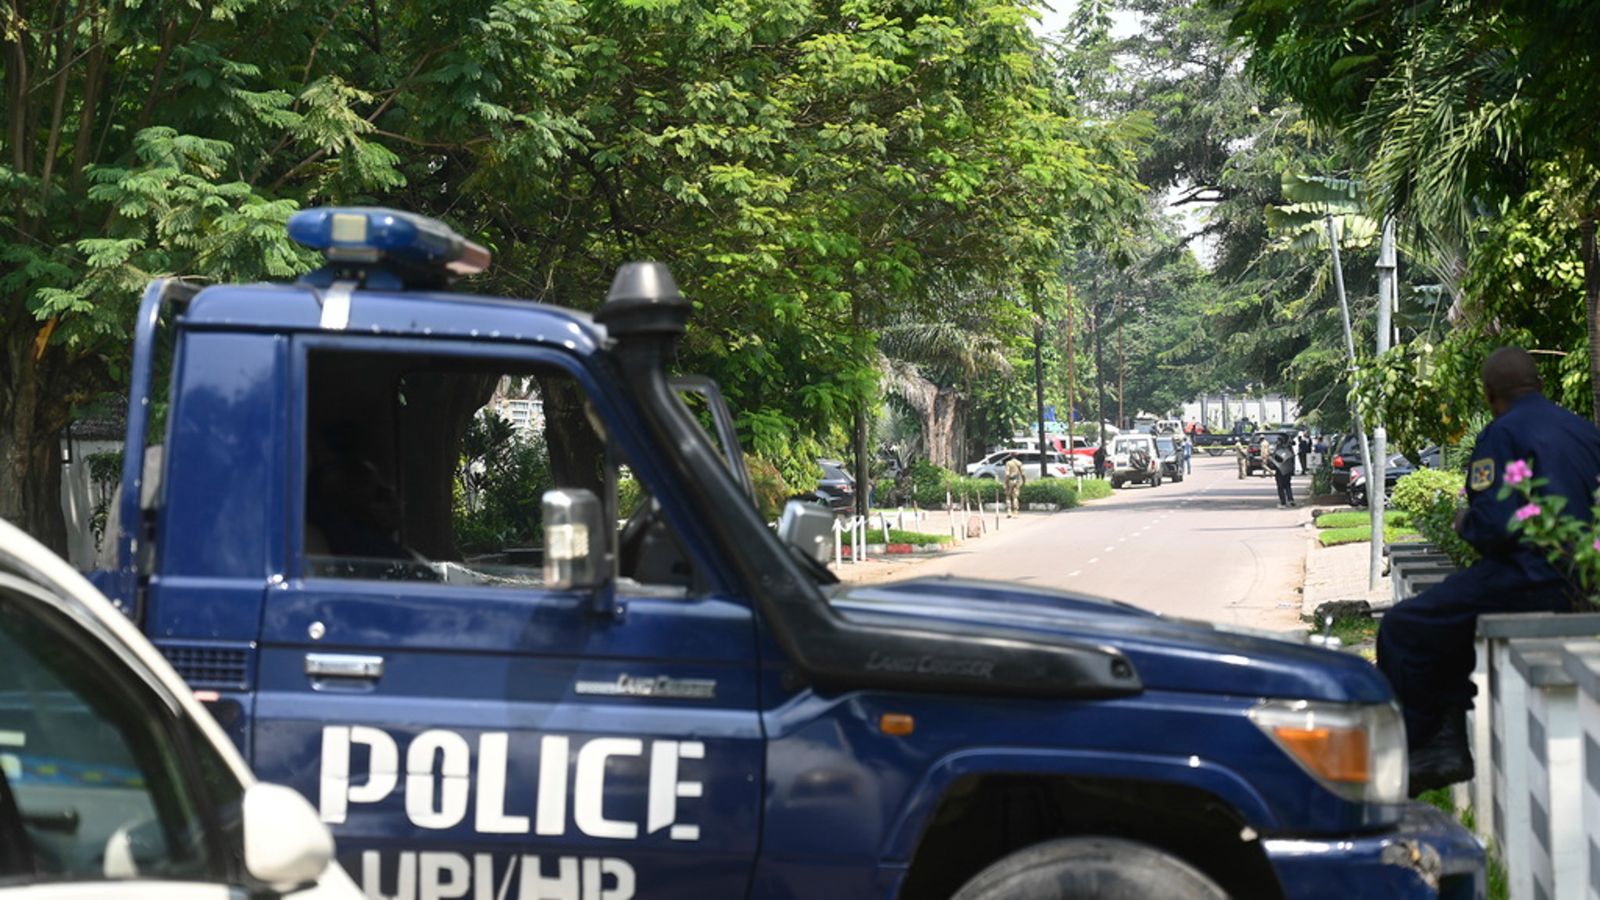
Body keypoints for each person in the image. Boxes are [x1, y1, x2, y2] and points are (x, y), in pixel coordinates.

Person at [1376, 347, 1600, 795]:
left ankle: (1428, 747)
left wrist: (1465, 521)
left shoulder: (1501, 434)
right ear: (1539, 385)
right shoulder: (1583, 431)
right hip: (1584, 578)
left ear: (1490, 394)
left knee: (1405, 626)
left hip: (1530, 576)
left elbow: (1496, 526)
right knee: (1451, 616)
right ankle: (1447, 744)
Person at [1269, 434, 1295, 507]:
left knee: (1280, 486)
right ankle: (1290, 499)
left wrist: (1272, 464)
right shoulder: (1289, 448)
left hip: (1280, 470)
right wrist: (1292, 469)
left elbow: (1274, 459)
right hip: (1287, 469)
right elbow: (1292, 459)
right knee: (1287, 485)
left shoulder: (1278, 449)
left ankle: (1283, 502)